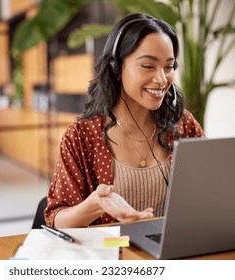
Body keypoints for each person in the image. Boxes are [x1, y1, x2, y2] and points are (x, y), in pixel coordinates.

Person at [44, 13, 205, 228]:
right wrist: (95, 204)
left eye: (169, 66)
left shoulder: (183, 125)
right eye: (148, 66)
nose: (161, 79)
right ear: (116, 67)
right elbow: (57, 220)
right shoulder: (81, 136)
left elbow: (209, 193)